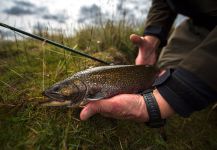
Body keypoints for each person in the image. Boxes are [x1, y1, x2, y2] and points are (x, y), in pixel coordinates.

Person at [80, 0, 217, 127]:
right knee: (166, 71)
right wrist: (152, 39)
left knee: (185, 84)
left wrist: (166, 100)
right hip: (199, 23)